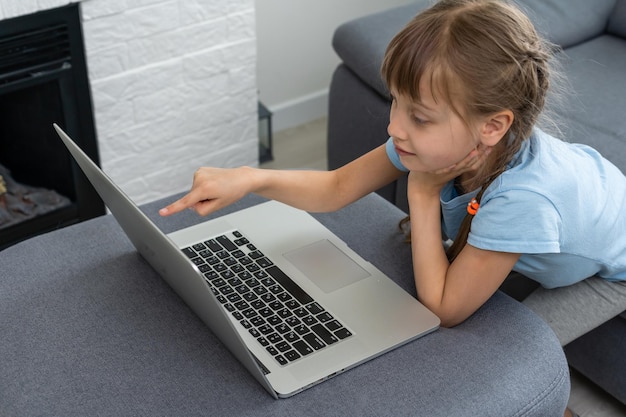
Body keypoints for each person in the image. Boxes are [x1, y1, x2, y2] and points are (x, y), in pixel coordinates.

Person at [160, 1, 626, 415]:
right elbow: (336, 187)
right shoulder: (437, 145)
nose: (395, 128)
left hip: (612, 271)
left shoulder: (523, 201)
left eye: (419, 117)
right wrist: (252, 178)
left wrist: (421, 196)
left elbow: (445, 310)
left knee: (510, 362)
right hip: (584, 205)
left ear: (492, 127)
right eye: (396, 103)